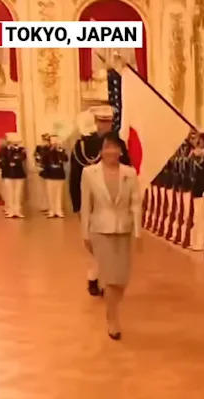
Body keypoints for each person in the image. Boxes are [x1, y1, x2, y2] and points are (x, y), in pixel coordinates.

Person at [79, 132, 141, 340]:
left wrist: (138, 232)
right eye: (106, 147)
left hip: (124, 228)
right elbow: (86, 205)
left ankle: (112, 309)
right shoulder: (89, 173)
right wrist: (84, 233)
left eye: (114, 147)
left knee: (122, 279)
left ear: (120, 150)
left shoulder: (129, 173)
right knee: (109, 277)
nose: (110, 151)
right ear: (101, 151)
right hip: (100, 230)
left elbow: (135, 203)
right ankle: (112, 318)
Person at [72, 106, 129, 296]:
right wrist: (77, 205)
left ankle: (98, 278)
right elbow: (74, 177)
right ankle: (99, 278)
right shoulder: (83, 145)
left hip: (114, 203)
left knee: (111, 248)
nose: (105, 125)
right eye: (102, 122)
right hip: (92, 203)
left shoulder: (120, 144)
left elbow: (127, 172)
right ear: (95, 122)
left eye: (108, 122)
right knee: (97, 246)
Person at [0, 133, 27, 218]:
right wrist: (9, 151)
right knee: (10, 193)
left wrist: (16, 149)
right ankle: (11, 210)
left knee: (18, 193)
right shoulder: (4, 150)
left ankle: (17, 210)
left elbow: (23, 158)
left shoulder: (21, 150)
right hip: (8, 173)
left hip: (19, 173)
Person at [40, 135, 68, 218]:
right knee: (50, 193)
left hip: (59, 174)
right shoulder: (45, 150)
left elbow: (65, 159)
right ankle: (52, 210)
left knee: (58, 194)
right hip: (49, 174)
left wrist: (60, 151)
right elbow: (43, 160)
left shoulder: (61, 150)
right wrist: (50, 150)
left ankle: (58, 210)